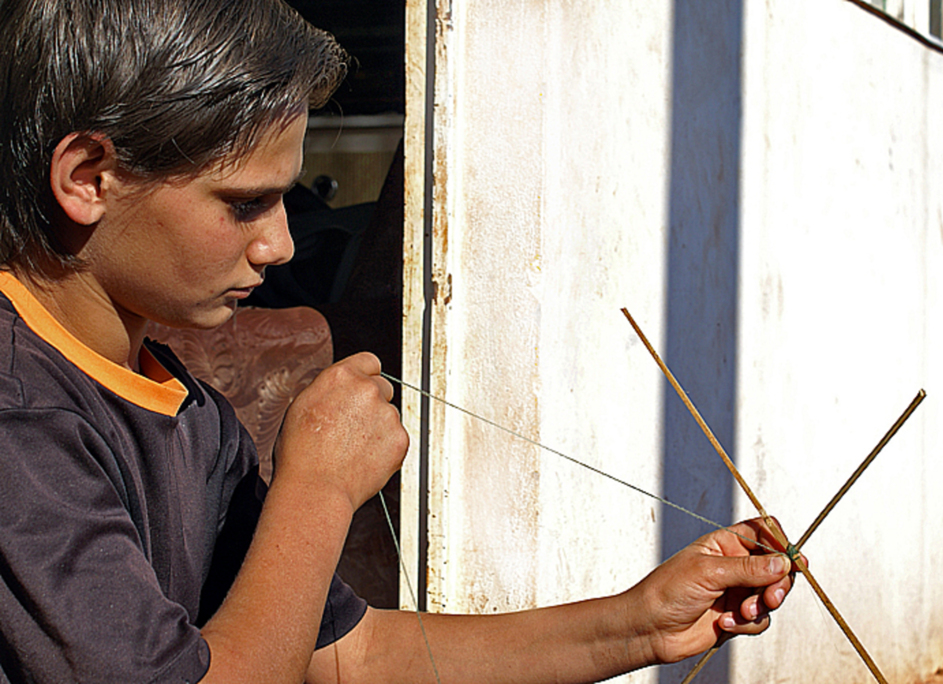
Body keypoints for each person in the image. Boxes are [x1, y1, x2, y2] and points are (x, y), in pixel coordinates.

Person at [0, 0, 797, 681]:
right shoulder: (18, 414)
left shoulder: (179, 406)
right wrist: (315, 489)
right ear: (89, 178)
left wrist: (640, 625)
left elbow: (350, 656)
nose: (281, 243)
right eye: (246, 204)